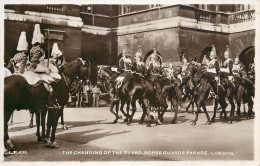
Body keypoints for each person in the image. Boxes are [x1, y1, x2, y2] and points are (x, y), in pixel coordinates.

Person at [23, 24, 61, 107]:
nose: (44, 41)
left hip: (34, 69)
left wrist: (49, 60)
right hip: (35, 71)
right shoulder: (38, 50)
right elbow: (34, 63)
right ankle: (51, 102)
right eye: (43, 39)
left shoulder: (33, 48)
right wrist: (45, 70)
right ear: (41, 40)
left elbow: (40, 60)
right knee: (52, 82)